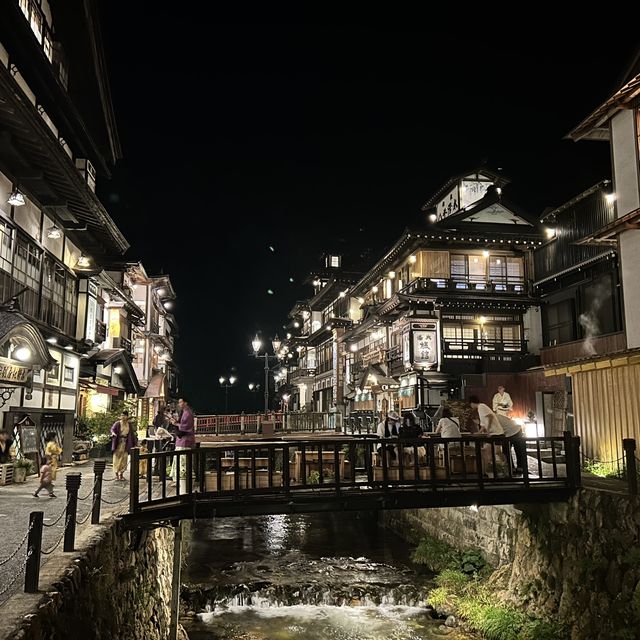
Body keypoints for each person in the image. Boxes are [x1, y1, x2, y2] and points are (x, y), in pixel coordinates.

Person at [469, 395, 506, 476]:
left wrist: (488, 430)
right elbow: (483, 424)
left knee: (494, 452)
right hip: (494, 433)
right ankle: (491, 470)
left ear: (472, 403)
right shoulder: (480, 408)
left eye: (470, 404)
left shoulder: (481, 407)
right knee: (489, 451)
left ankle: (499, 468)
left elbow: (490, 417)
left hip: (496, 433)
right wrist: (479, 432)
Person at [170, 397, 195, 481]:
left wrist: (176, 423)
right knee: (179, 460)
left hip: (185, 440)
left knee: (182, 461)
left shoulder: (188, 413)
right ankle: (178, 479)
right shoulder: (184, 412)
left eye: (181, 402)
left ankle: (182, 479)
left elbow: (185, 427)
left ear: (185, 403)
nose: (179, 404)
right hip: (181, 440)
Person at [110, 410, 137, 481]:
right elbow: (112, 429)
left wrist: (135, 443)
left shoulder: (129, 424)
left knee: (124, 459)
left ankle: (121, 474)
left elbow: (132, 434)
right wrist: (113, 434)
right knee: (117, 458)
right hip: (118, 443)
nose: (123, 417)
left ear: (127, 416)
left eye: (125, 415)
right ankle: (116, 474)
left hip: (126, 443)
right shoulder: (117, 423)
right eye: (122, 415)